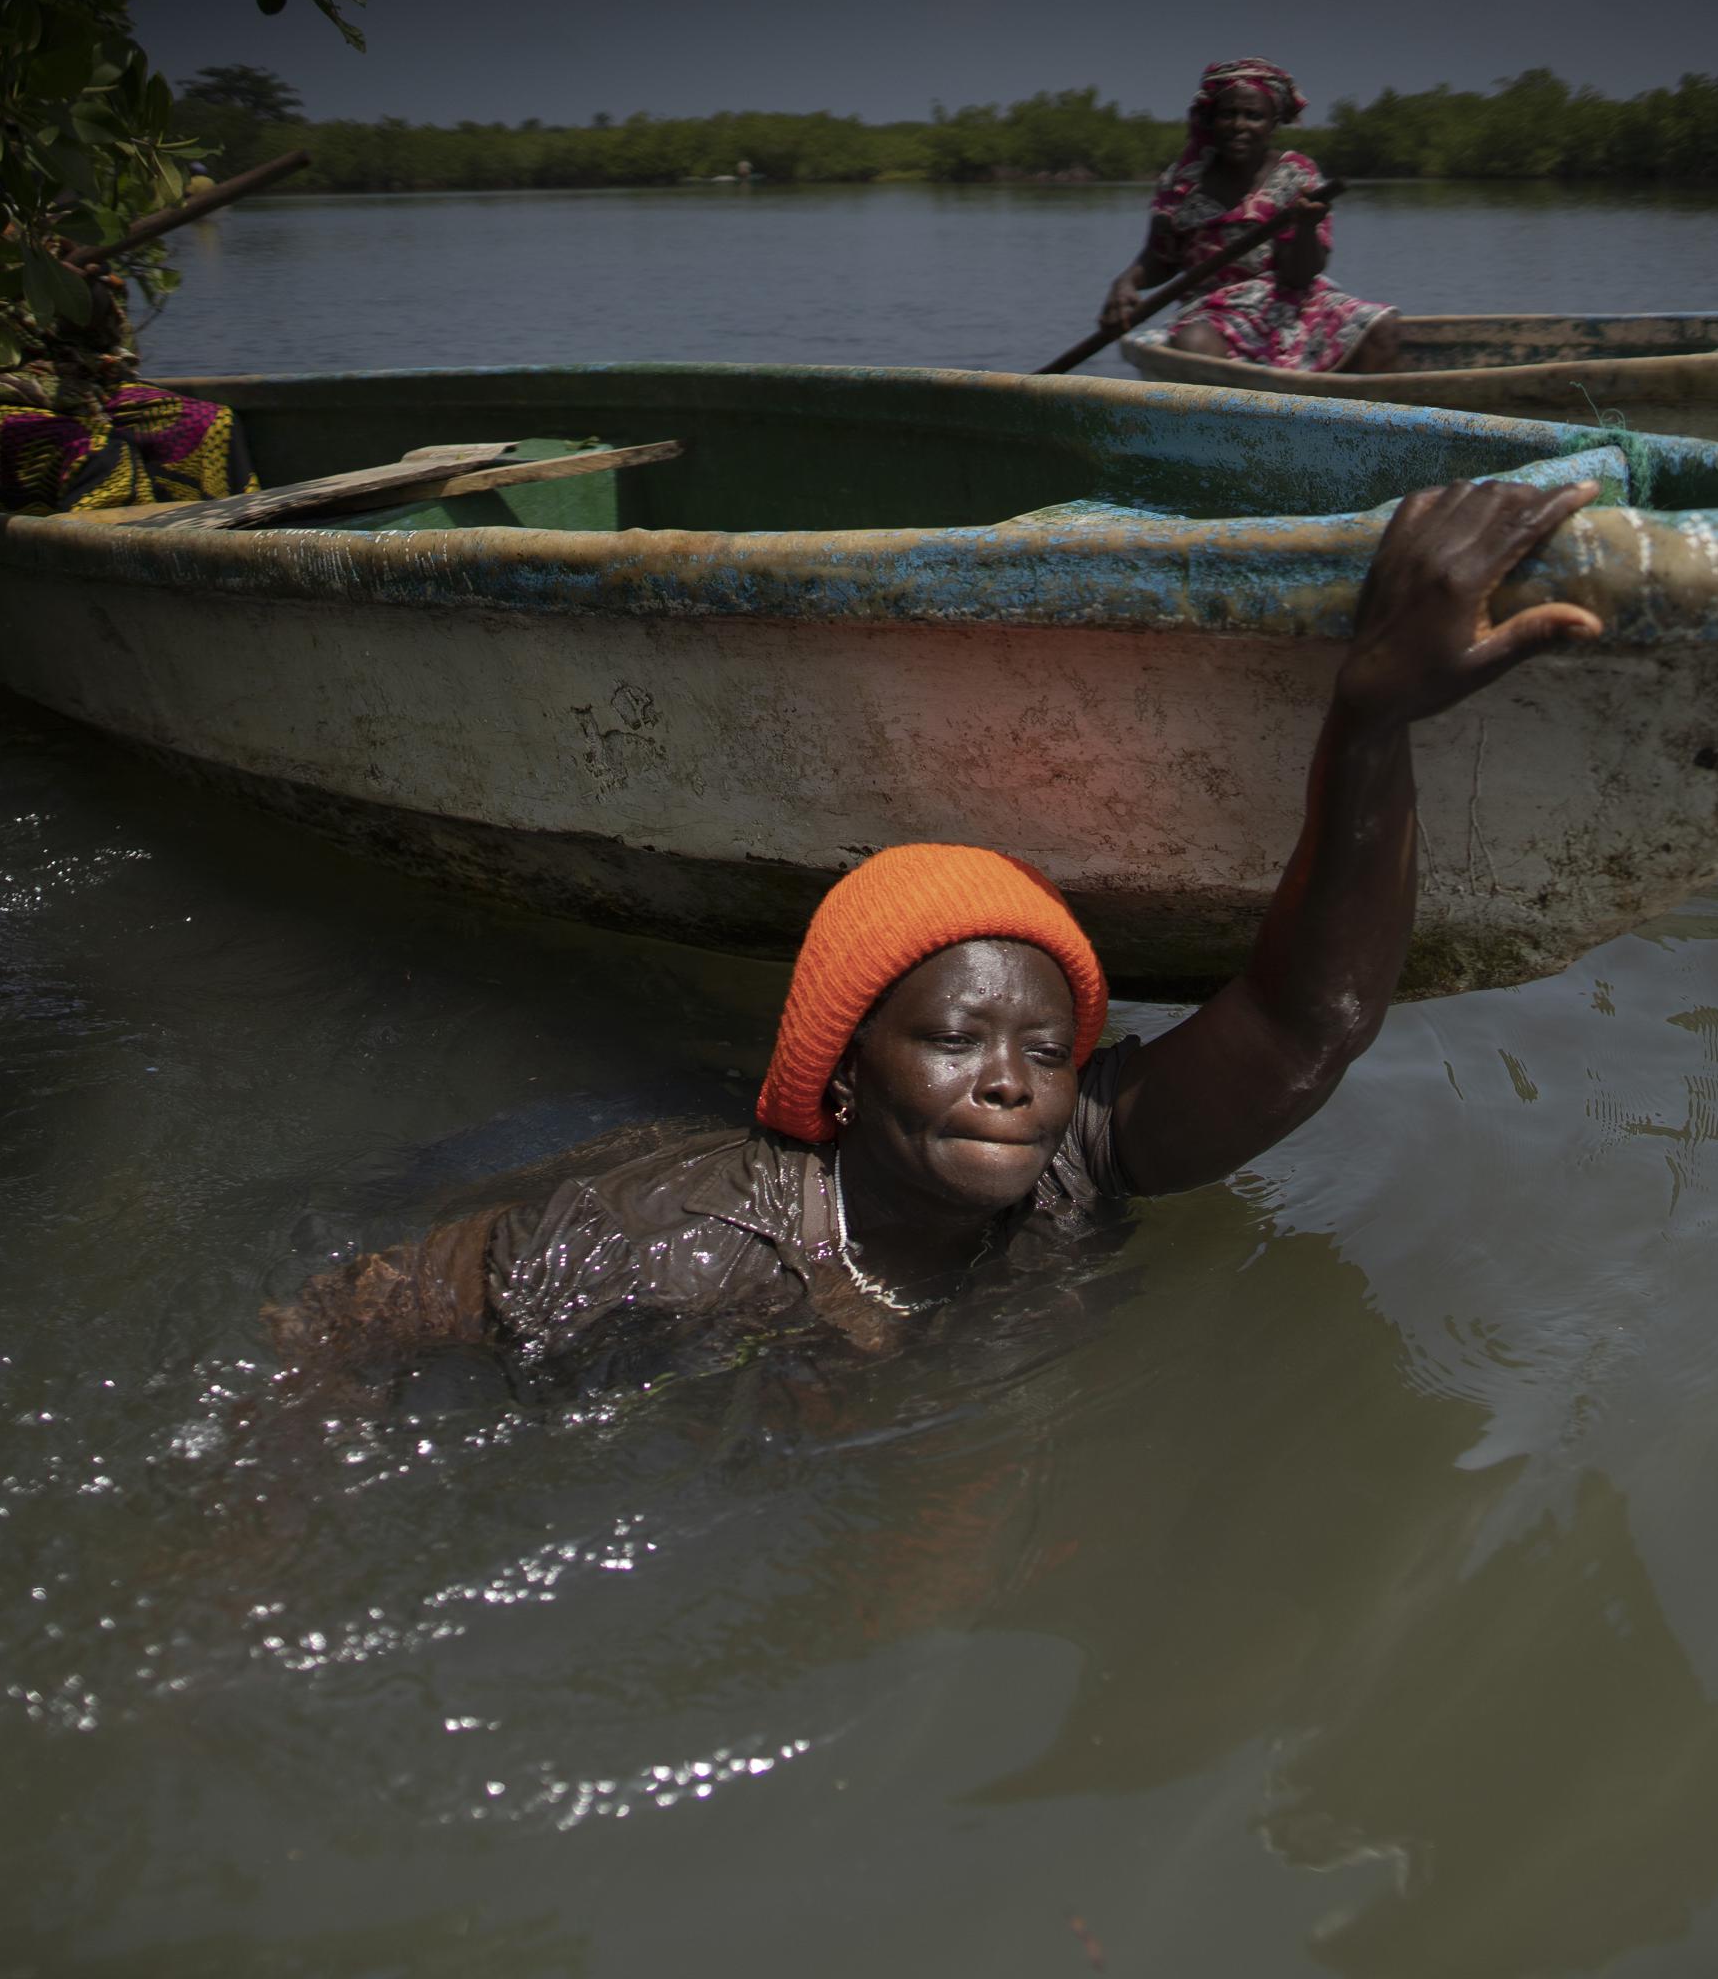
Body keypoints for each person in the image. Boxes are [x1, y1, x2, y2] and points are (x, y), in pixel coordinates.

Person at [268, 478, 1602, 1400]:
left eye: (1047, 1047)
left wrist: (1374, 717)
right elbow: (340, 1320)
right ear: (846, 1078)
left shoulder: (1070, 1163)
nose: (1015, 1077)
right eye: (957, 1040)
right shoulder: (674, 1241)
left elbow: (1308, 1023)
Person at [1098, 57, 1404, 376]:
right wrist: (1126, 283)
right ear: (1211, 119)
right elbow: (1161, 257)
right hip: (1213, 309)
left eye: (1253, 116)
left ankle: (1357, 416)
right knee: (1195, 345)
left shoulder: (1297, 175)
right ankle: (1234, 418)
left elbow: (1299, 275)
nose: (1239, 125)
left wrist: (1305, 227)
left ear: (1273, 123)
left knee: (1382, 327)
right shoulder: (1183, 183)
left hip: (1294, 303)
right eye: (1229, 114)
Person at [0, 247, 259, 515]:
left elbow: (106, 344)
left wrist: (84, 296)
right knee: (100, 458)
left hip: (69, 387)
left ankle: (227, 562)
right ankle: (116, 585)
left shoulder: (33, 229)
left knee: (210, 424)